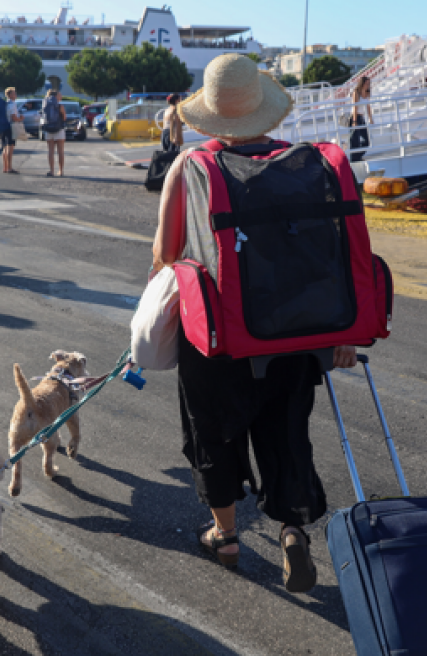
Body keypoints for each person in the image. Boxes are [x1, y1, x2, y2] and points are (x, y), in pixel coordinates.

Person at [152, 54, 359, 592]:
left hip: (219, 340)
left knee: (213, 433)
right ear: (265, 113)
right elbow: (332, 255)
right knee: (286, 434)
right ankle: (292, 531)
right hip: (293, 332)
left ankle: (225, 535)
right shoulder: (304, 167)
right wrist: (340, 336)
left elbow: (165, 254)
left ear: (210, 116)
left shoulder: (191, 166)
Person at [346, 76, 372, 162]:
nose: (368, 85)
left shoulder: (367, 93)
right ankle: (355, 160)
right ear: (362, 83)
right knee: (355, 142)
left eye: (369, 83)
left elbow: (368, 106)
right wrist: (354, 120)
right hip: (355, 117)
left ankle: (358, 157)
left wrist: (370, 118)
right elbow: (354, 107)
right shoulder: (356, 92)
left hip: (361, 118)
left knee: (366, 141)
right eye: (366, 83)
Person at [41, 89, 66, 177]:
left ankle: (51, 171)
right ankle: (60, 171)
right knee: (60, 151)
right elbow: (64, 118)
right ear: (56, 96)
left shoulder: (45, 105)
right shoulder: (60, 106)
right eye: (59, 95)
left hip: (48, 129)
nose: (61, 96)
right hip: (59, 129)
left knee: (50, 151)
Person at [0, 87, 21, 174]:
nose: (15, 94)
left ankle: (5, 167)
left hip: (4, 126)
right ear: (10, 95)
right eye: (14, 93)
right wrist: (20, 119)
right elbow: (13, 117)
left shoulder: (6, 104)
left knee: (5, 147)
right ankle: (9, 168)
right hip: (11, 127)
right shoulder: (12, 104)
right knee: (10, 147)